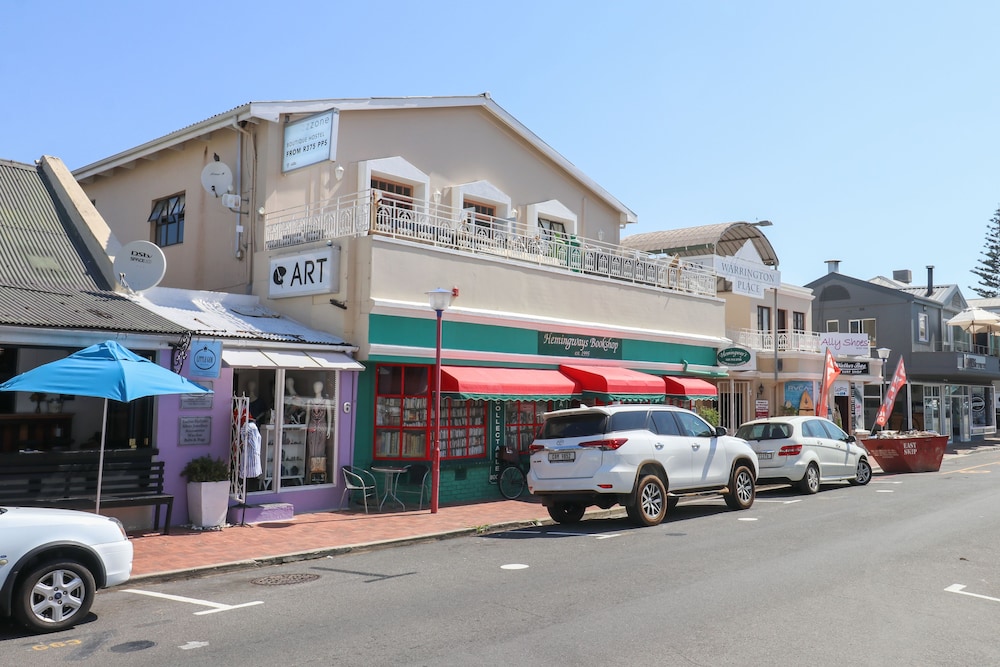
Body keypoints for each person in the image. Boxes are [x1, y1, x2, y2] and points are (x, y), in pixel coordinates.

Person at [241, 413, 263, 491]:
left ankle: (248, 490)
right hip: (251, 454)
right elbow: (253, 442)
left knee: (249, 475)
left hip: (250, 454)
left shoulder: (249, 427)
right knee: (250, 476)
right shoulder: (251, 427)